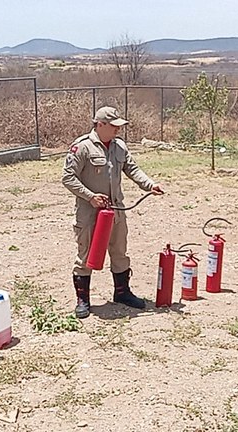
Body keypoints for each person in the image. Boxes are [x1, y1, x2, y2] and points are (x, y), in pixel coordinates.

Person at [62, 106, 164, 319]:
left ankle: (122, 292)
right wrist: (90, 196)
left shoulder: (119, 146)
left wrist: (149, 185)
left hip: (116, 211)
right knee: (86, 255)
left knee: (119, 252)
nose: (118, 130)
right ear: (100, 125)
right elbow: (68, 178)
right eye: (114, 126)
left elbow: (132, 168)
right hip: (89, 213)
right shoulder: (82, 148)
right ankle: (83, 300)